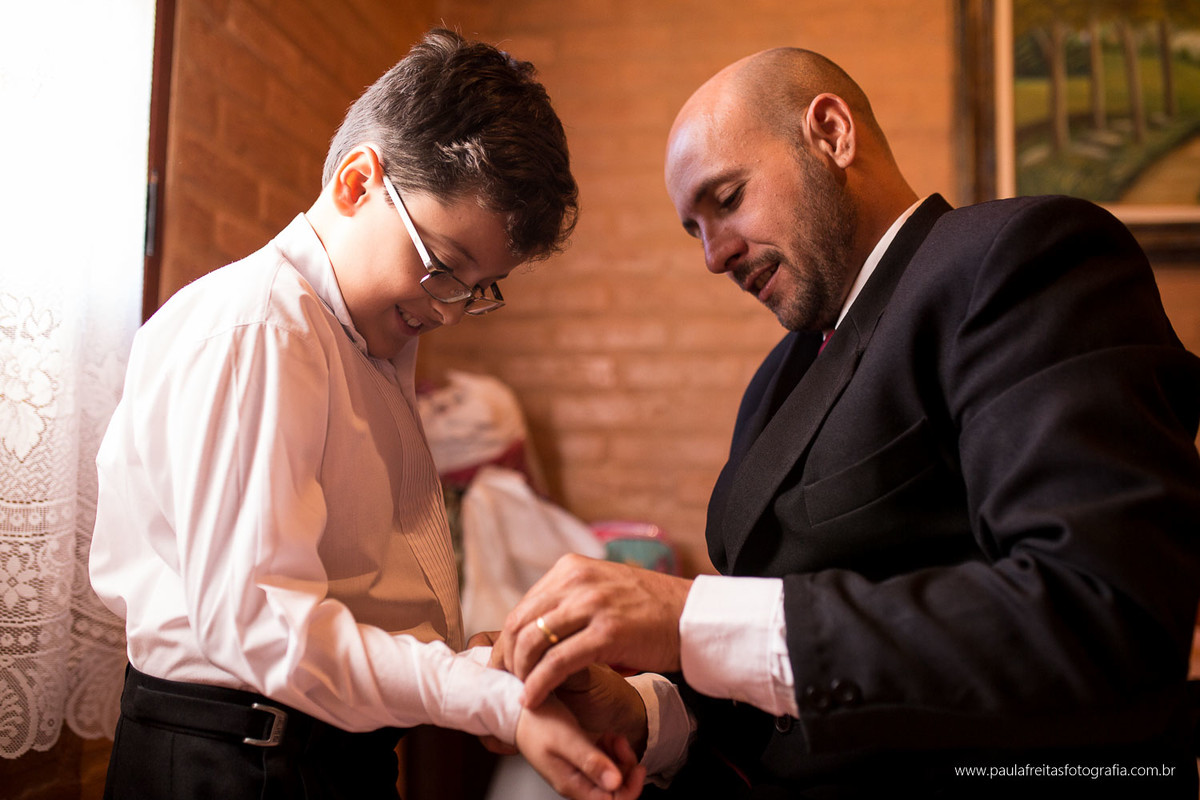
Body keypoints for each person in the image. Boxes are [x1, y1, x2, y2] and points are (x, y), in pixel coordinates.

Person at [492, 47, 1200, 797]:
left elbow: (1098, 615)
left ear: (830, 133)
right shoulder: (776, 380)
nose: (713, 255)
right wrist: (646, 713)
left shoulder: (1018, 261)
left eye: (727, 199)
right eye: (692, 228)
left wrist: (691, 615)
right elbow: (778, 669)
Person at [89, 29, 641, 800]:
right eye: (445, 268)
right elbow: (261, 627)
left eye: (479, 288)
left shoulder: (364, 344)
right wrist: (489, 700)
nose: (451, 312)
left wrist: (473, 666)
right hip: (240, 759)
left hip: (321, 751)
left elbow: (348, 590)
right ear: (358, 183)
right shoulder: (262, 330)